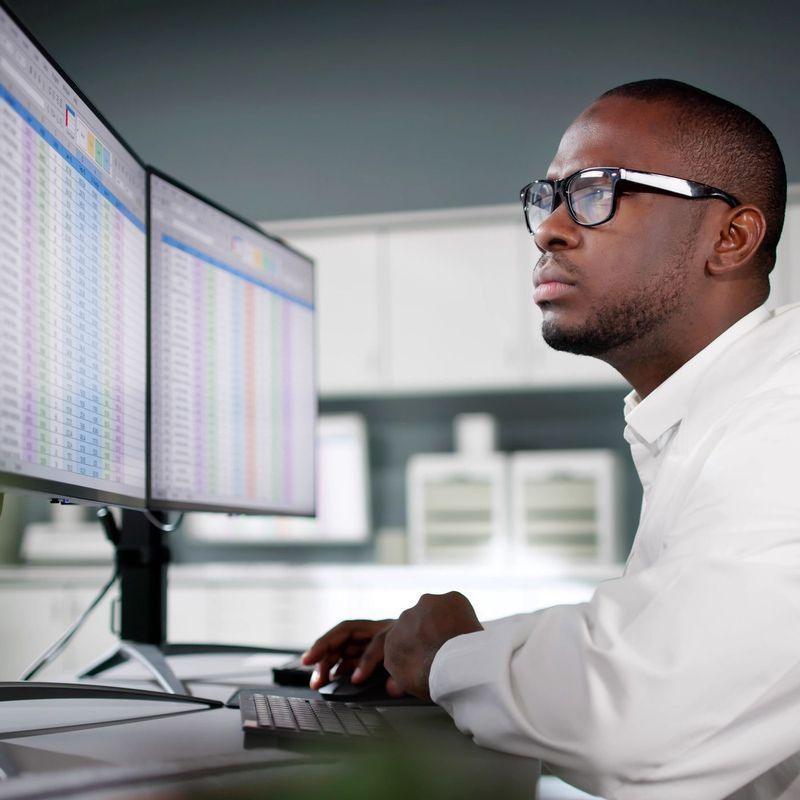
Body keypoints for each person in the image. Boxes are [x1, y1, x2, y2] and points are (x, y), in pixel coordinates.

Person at [302, 79, 799, 800]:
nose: (549, 230)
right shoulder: (718, 413)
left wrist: (447, 656)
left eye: (598, 191)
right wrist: (463, 652)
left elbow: (633, 722)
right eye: (548, 196)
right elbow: (673, 647)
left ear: (730, 237)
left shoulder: (784, 415)